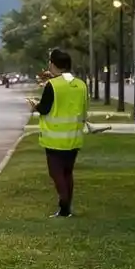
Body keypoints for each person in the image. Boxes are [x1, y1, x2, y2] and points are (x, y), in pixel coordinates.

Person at [27, 48, 89, 218]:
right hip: (74, 137)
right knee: (67, 172)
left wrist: (35, 106)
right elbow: (84, 109)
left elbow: (45, 109)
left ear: (53, 64)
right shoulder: (81, 84)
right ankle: (66, 208)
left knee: (56, 173)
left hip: (54, 138)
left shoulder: (52, 86)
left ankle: (64, 205)